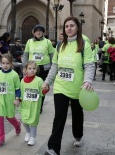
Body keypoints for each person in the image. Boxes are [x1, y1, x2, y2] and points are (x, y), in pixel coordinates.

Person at [43, 16, 95, 155]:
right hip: (61, 87)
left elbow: (89, 65)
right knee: (59, 116)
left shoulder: (84, 44)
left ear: (77, 27)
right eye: (66, 26)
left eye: (72, 26)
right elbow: (55, 66)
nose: (69, 28)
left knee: (77, 113)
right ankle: (53, 148)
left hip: (79, 88)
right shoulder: (60, 45)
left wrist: (87, 81)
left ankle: (78, 135)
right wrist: (47, 81)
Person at [0, 54, 21, 148]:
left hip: (10, 100)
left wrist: (17, 99)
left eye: (7, 63)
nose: (5, 65)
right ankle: (1, 139)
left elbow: (18, 89)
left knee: (10, 117)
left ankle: (17, 125)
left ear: (11, 64)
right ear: (0, 63)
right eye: (3, 63)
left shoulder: (14, 75)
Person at [14, 60, 49, 146]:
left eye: (34, 68)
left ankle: (33, 137)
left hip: (34, 106)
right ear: (25, 70)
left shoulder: (39, 80)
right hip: (25, 105)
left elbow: (42, 92)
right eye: (30, 68)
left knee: (33, 122)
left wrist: (45, 89)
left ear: (36, 70)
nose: (32, 70)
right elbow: (21, 93)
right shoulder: (22, 81)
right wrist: (18, 100)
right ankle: (28, 132)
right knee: (24, 121)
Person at [22, 24, 54, 113]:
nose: (38, 32)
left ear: (43, 32)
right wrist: (24, 67)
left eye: (40, 30)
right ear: (34, 32)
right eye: (36, 30)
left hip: (44, 69)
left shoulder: (47, 42)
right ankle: (31, 105)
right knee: (32, 87)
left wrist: (53, 69)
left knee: (42, 88)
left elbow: (52, 56)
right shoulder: (29, 42)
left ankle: (40, 106)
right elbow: (25, 55)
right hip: (32, 69)